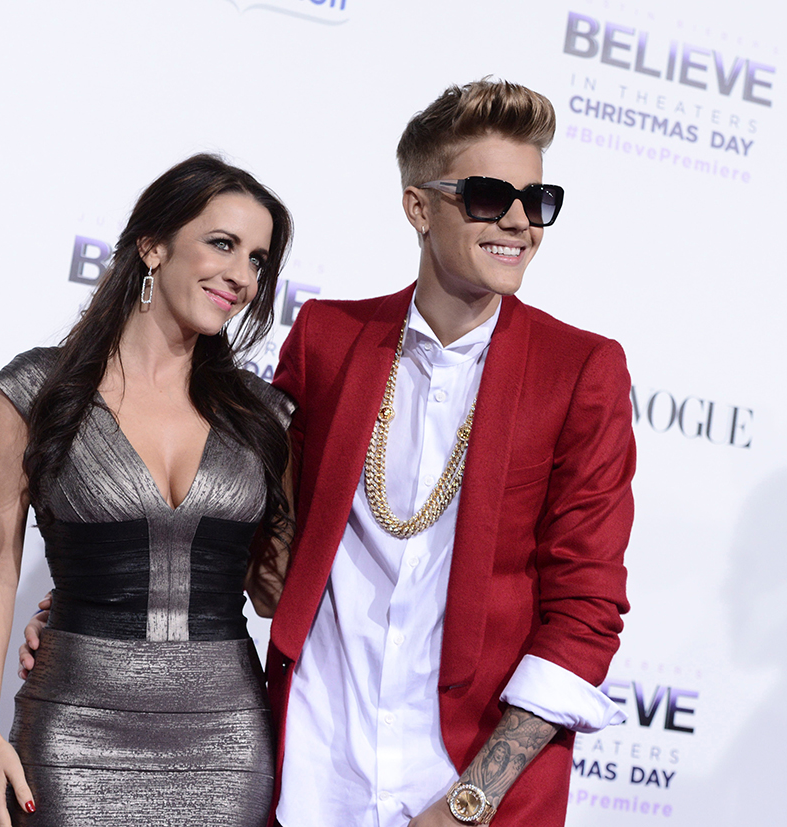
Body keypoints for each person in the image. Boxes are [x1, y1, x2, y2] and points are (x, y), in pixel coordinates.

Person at [266, 79, 635, 826]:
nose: (518, 221)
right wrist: (78, 606)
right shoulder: (327, 339)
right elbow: (247, 525)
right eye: (487, 194)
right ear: (418, 206)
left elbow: (586, 609)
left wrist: (468, 801)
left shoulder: (579, 370)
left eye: (538, 200)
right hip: (312, 772)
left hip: (471, 791)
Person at [0, 154, 295, 827]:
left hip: (226, 738)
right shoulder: (35, 393)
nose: (241, 275)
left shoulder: (264, 416)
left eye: (258, 259)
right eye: (222, 244)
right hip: (73, 726)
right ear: (152, 245)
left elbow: (282, 589)